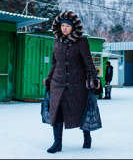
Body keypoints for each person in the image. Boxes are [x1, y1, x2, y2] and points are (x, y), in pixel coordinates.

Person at [43, 11, 100, 153]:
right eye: (62, 25)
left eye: (67, 26)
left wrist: (92, 79)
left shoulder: (82, 42)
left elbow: (88, 63)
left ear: (74, 27)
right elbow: (54, 63)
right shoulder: (57, 42)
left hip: (77, 85)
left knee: (81, 110)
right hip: (58, 83)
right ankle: (57, 143)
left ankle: (87, 136)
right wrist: (49, 79)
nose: (64, 28)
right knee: (56, 112)